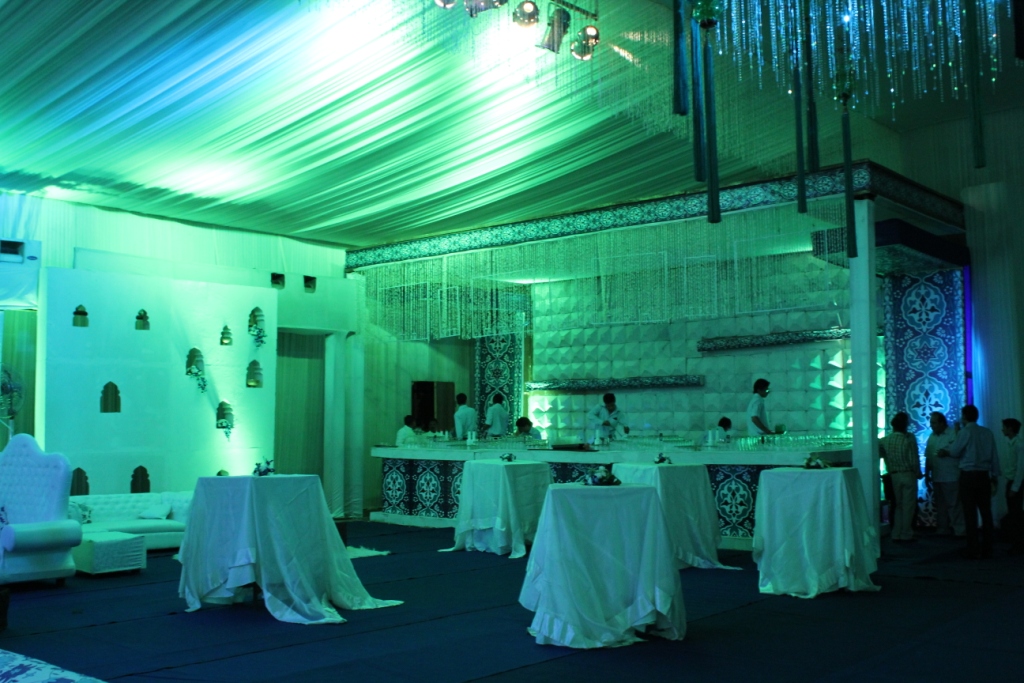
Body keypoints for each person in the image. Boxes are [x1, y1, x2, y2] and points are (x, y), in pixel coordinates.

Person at [939, 404, 1001, 559]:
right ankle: (988, 547)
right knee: (986, 512)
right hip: (983, 475)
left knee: (969, 512)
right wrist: (995, 475)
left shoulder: (964, 432)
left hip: (968, 476)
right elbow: (994, 456)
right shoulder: (987, 432)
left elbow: (955, 452)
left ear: (965, 416)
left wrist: (948, 447)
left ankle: (973, 547)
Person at [879, 411, 922, 543]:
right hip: (908, 474)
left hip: (894, 475)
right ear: (905, 425)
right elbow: (913, 459)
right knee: (908, 506)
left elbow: (881, 454)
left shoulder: (885, 440)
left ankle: (895, 533)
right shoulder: (908, 439)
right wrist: (918, 472)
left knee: (898, 505)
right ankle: (906, 533)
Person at [924, 412, 964, 537]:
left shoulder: (953, 434)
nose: (931, 425)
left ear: (942, 423)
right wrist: (927, 474)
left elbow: (960, 452)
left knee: (954, 504)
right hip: (937, 476)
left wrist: (947, 452)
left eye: (933, 422)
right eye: (931, 422)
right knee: (940, 505)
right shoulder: (931, 437)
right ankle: (943, 529)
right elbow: (928, 457)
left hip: (951, 475)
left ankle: (959, 530)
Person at [1000, 418, 1024, 554]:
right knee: (1014, 513)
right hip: (1012, 482)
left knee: (1016, 514)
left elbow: (1020, 469)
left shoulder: (1019, 445)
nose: (1002, 429)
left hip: (1015, 483)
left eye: (1004, 427)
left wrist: (1014, 487)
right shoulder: (1013, 443)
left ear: (1010, 428)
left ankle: (1018, 544)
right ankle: (1017, 543)